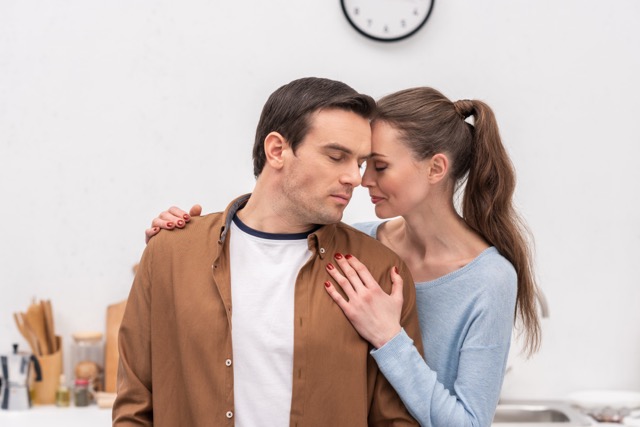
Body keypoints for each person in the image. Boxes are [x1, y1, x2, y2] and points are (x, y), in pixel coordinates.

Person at [147, 86, 542, 427]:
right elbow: (272, 228)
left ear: (436, 168)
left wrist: (389, 337)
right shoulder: (363, 247)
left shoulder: (488, 277)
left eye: (378, 166)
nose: (361, 179)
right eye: (359, 163)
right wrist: (186, 241)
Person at [113, 77, 424, 426]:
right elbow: (134, 406)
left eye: (361, 162)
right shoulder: (170, 253)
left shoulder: (378, 271)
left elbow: (396, 420)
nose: (354, 177)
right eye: (337, 156)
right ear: (277, 150)